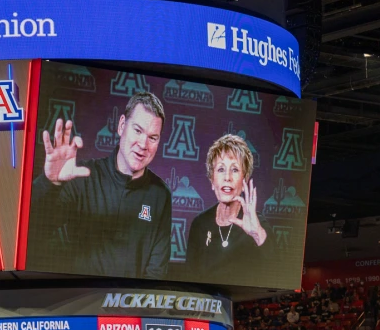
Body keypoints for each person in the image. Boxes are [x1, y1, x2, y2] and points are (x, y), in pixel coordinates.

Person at [29, 92, 171, 280]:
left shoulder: (160, 195)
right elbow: (35, 230)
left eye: (153, 137)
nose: (143, 144)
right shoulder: (82, 176)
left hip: (127, 307)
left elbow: (156, 273)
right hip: (80, 303)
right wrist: (50, 182)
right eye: (137, 130)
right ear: (122, 126)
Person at [179, 134, 270, 281]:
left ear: (245, 179)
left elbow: (278, 270)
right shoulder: (200, 224)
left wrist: (256, 233)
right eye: (221, 169)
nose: (227, 177)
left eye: (234, 170)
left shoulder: (258, 224)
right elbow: (190, 277)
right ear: (212, 180)